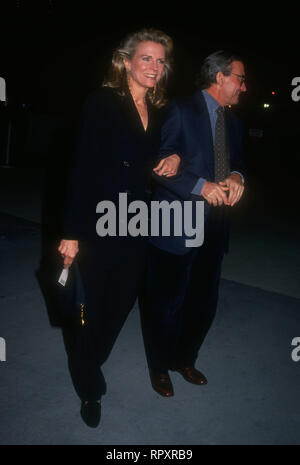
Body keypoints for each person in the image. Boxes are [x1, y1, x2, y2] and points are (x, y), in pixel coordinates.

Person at [58, 28, 180, 427]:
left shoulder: (161, 110)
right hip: (97, 221)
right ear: (125, 61)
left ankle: (90, 358)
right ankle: (90, 387)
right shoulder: (102, 102)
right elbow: (81, 167)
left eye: (160, 61)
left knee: (121, 303)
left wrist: (174, 156)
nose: (154, 67)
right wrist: (71, 231)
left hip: (138, 223)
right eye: (146, 58)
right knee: (86, 307)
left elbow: (165, 154)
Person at [141, 50, 246, 397]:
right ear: (220, 77)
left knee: (203, 300)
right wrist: (202, 186)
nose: (244, 87)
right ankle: (159, 365)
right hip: (177, 220)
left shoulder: (232, 120)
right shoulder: (179, 109)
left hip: (216, 224)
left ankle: (184, 358)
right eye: (240, 79)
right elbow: (159, 163)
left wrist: (236, 176)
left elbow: (237, 161)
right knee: (165, 300)